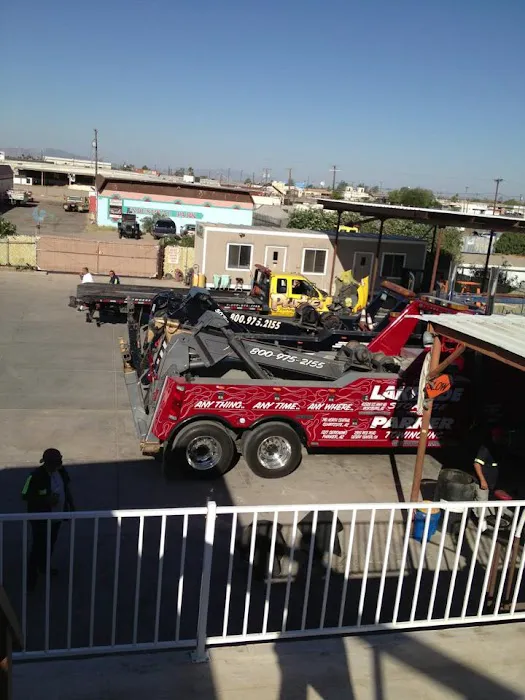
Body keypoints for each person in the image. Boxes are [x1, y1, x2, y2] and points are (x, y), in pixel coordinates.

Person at [21, 449, 75, 591]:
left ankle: (44, 567)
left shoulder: (61, 472)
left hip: (56, 517)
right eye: (56, 463)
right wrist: (45, 500)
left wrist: (71, 506)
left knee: (50, 543)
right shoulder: (35, 476)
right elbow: (25, 495)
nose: (59, 465)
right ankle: (31, 582)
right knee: (37, 548)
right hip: (41, 519)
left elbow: (66, 489)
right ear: (48, 463)